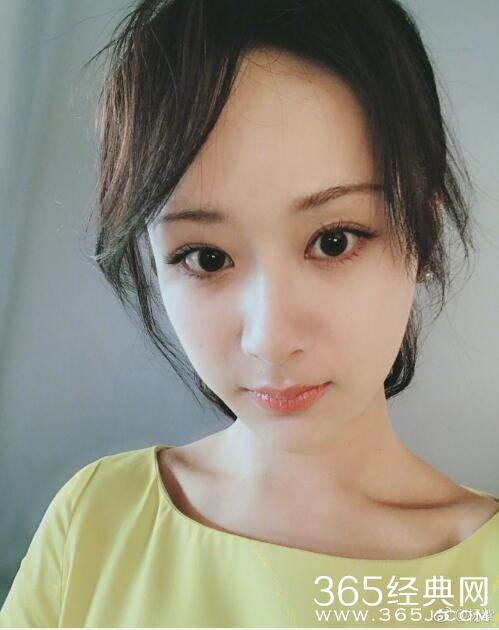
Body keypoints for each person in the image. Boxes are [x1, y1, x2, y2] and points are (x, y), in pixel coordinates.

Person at [1, 0, 498, 627]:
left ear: (422, 229)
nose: (270, 338)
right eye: (206, 257)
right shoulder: (94, 522)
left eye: (334, 241)